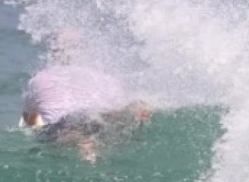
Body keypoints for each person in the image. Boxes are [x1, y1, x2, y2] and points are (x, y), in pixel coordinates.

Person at [18, 33, 150, 162]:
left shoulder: (39, 79)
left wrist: (36, 133)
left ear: (52, 52)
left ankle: (84, 143)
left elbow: (29, 119)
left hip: (64, 124)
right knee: (109, 118)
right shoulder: (105, 78)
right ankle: (135, 109)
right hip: (97, 116)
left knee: (71, 131)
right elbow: (116, 105)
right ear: (83, 51)